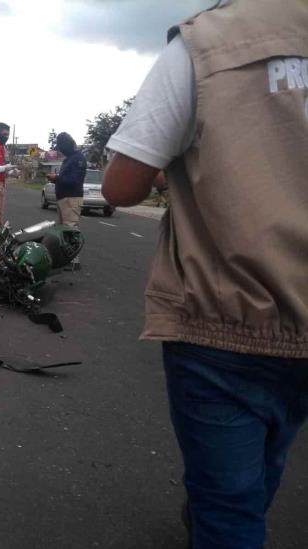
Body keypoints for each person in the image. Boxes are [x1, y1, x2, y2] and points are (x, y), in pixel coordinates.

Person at [101, 1, 308, 547]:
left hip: (225, 316)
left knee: (228, 505)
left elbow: (120, 187)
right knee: (273, 447)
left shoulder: (204, 44)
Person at [46, 132, 86, 269]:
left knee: (70, 229)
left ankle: (75, 261)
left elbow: (74, 181)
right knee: (64, 231)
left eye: (62, 147)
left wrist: (56, 179)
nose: (61, 150)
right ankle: (67, 259)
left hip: (72, 198)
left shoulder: (78, 159)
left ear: (68, 145)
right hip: (63, 198)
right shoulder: (69, 159)